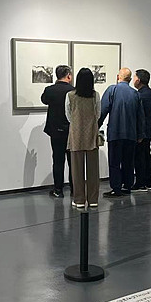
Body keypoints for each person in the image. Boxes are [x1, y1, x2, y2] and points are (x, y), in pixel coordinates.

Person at [99, 67, 145, 198]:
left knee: (114, 162)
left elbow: (103, 110)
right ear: (129, 79)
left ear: (118, 77)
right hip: (131, 134)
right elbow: (140, 116)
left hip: (115, 132)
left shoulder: (112, 90)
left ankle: (116, 188)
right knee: (128, 162)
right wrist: (140, 134)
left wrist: (96, 126)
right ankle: (127, 186)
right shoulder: (135, 94)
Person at [65, 68, 101, 208]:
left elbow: (68, 115)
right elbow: (98, 114)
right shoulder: (95, 95)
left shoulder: (70, 95)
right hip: (91, 133)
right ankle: (93, 199)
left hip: (76, 134)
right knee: (93, 169)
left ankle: (79, 199)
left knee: (77, 169)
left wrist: (77, 123)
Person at [41, 65, 74, 198]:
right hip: (71, 131)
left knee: (58, 160)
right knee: (73, 162)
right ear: (69, 76)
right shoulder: (73, 91)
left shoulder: (50, 90)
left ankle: (58, 190)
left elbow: (44, 100)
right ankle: (74, 189)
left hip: (55, 131)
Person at [132, 68, 151, 191]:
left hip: (142, 131)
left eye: (135, 77)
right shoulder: (150, 93)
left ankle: (140, 183)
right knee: (146, 155)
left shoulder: (140, 95)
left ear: (139, 80)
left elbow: (140, 116)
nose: (133, 80)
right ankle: (147, 181)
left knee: (140, 157)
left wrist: (139, 133)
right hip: (148, 129)